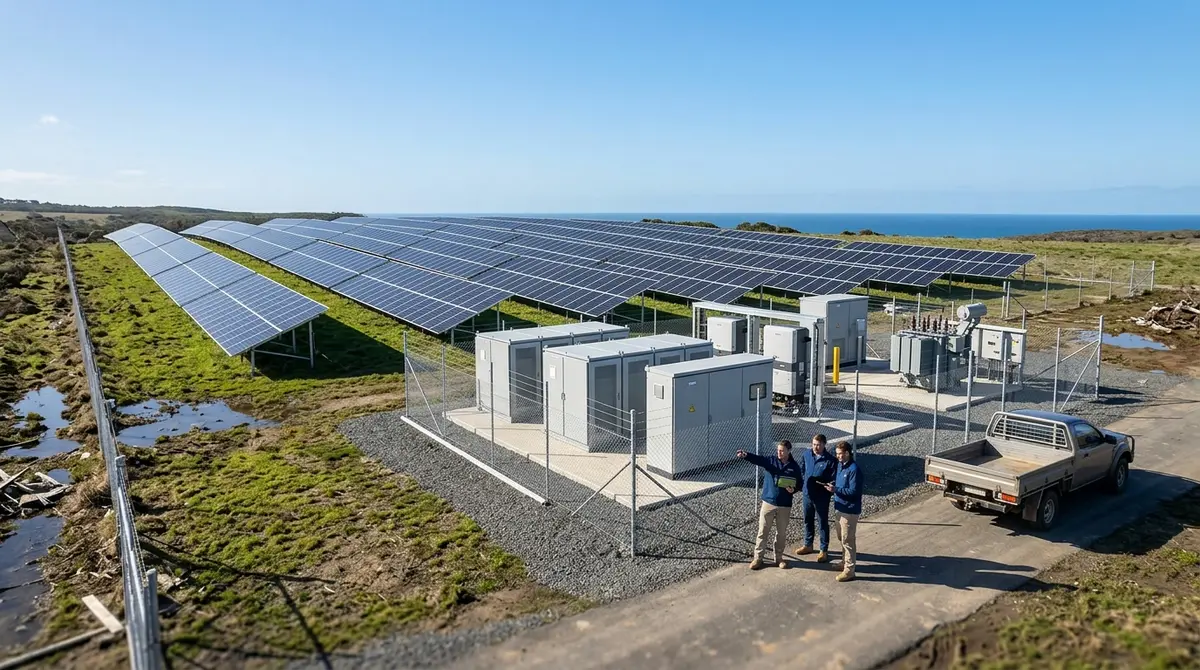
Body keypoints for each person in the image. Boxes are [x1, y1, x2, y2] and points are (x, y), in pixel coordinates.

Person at [737, 440, 802, 570]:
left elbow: (799, 483)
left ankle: (779, 558)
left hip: (784, 505)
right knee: (763, 531)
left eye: (782, 450)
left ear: (789, 451)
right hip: (768, 503)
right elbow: (758, 460)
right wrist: (746, 455)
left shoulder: (794, 467)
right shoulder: (771, 461)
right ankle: (758, 558)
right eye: (778, 450)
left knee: (781, 533)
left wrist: (793, 490)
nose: (779, 452)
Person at [822, 441, 863, 582]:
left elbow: (854, 492)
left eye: (840, 454)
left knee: (848, 540)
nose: (838, 456)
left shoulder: (854, 470)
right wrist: (834, 485)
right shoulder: (840, 466)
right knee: (841, 537)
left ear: (847, 453)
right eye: (837, 454)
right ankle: (844, 561)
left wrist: (836, 490)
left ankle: (850, 570)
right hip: (839, 508)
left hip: (849, 511)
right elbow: (840, 484)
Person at [795, 434, 837, 563]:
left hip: (821, 497)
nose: (815, 447)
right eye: (814, 444)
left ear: (825, 444)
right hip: (807, 494)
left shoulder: (830, 460)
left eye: (818, 445)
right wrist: (804, 484)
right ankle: (808, 544)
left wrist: (829, 488)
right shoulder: (807, 455)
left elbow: (835, 478)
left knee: (822, 522)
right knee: (808, 519)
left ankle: (823, 550)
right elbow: (802, 469)